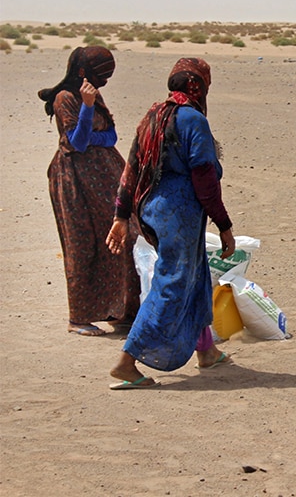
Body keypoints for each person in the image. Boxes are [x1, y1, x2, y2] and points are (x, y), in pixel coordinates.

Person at [105, 58, 234, 389]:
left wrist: (122, 216)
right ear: (199, 87)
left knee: (196, 274)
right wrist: (224, 224)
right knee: (173, 282)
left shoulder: (153, 117)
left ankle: (206, 349)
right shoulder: (192, 120)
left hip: (153, 208)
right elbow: (205, 178)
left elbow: (131, 168)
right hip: (180, 213)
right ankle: (126, 362)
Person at [38, 46, 141, 337]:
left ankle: (119, 310)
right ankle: (79, 317)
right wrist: (86, 106)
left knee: (125, 237)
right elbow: (77, 143)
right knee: (82, 244)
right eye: (101, 75)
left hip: (104, 178)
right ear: (83, 72)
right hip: (74, 182)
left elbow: (111, 136)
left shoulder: (95, 95)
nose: (104, 82)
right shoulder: (66, 99)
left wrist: (93, 126)